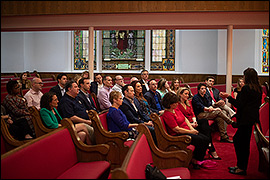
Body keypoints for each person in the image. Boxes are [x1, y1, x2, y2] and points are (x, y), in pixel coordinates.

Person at [220, 67, 262, 175]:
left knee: (240, 142)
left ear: (247, 77)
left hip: (245, 118)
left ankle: (241, 168)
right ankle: (240, 166)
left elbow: (239, 104)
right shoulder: (258, 88)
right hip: (251, 118)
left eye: (244, 76)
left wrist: (228, 96)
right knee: (243, 142)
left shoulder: (246, 88)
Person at [161, 92, 209, 169]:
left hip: (186, 130)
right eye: (175, 103)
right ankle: (195, 160)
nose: (177, 104)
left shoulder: (175, 109)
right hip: (178, 135)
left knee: (206, 139)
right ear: (169, 104)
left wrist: (192, 128)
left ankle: (197, 158)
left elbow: (185, 119)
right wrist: (191, 132)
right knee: (201, 140)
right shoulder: (167, 114)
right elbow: (176, 129)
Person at [177, 87, 221, 160]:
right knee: (205, 129)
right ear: (180, 94)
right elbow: (181, 118)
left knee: (204, 122)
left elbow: (192, 114)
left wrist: (194, 121)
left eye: (188, 94)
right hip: (186, 125)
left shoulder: (187, 103)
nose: (187, 96)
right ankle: (210, 147)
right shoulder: (177, 105)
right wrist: (191, 124)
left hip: (192, 122)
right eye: (185, 94)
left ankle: (209, 145)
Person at [57, 80, 95, 144]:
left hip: (85, 120)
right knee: (91, 130)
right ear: (69, 89)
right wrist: (87, 122)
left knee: (84, 133)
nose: (78, 88)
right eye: (75, 87)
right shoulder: (65, 101)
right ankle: (94, 146)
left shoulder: (77, 97)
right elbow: (71, 117)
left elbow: (84, 109)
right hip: (74, 124)